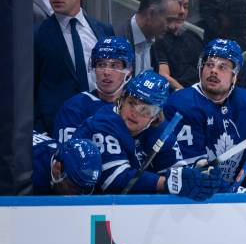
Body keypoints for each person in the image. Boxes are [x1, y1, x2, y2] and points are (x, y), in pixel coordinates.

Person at [74, 70, 221, 199]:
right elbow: (114, 181)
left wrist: (199, 177)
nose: (135, 113)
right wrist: (168, 183)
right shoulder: (104, 123)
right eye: (132, 103)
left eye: (146, 110)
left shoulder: (160, 129)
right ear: (122, 100)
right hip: (80, 207)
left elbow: (176, 172)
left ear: (156, 116)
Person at [163, 39, 246, 182]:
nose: (213, 71)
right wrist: (230, 191)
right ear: (201, 68)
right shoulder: (182, 104)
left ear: (234, 75)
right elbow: (193, 170)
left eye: (222, 67)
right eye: (209, 64)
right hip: (191, 196)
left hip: (231, 191)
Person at [34, 0, 115, 134]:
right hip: (57, 127)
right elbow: (30, 89)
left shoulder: (104, 30)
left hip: (102, 123)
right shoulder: (37, 35)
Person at [53, 36, 134, 143]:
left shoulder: (136, 107)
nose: (106, 72)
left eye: (114, 65)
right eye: (101, 64)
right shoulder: (74, 108)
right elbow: (66, 155)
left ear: (129, 70)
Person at [117, 0, 182, 75]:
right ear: (150, 14)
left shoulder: (156, 39)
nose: (172, 26)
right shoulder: (117, 38)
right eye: (169, 20)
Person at [154, 0, 204, 90]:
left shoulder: (193, 37)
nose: (182, 11)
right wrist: (188, 96)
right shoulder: (155, 38)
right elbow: (163, 76)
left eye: (185, 6)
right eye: (178, 5)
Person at [32, 132, 101, 195]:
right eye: (74, 188)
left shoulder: (61, 154)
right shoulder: (31, 173)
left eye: (86, 190)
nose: (79, 196)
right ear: (57, 168)